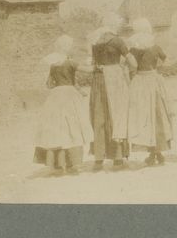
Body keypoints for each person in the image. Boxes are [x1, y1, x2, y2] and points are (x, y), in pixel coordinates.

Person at [34, 35, 93, 176]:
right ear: (66, 48)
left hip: (55, 96)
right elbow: (88, 70)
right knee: (72, 128)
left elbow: (49, 84)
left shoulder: (53, 64)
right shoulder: (70, 62)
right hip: (69, 95)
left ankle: (59, 165)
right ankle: (71, 164)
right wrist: (95, 63)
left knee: (57, 129)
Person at [87, 12, 132, 171]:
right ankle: (118, 157)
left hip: (98, 80)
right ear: (113, 25)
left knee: (99, 117)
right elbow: (132, 61)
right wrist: (126, 70)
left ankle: (98, 159)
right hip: (114, 79)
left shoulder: (95, 40)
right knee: (117, 115)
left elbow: (93, 63)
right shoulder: (118, 41)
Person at [126, 18, 173, 166]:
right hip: (153, 80)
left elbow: (132, 66)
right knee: (157, 115)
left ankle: (153, 153)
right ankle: (157, 153)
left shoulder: (134, 49)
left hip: (140, 81)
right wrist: (157, 68)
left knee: (145, 117)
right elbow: (166, 61)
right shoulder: (156, 47)